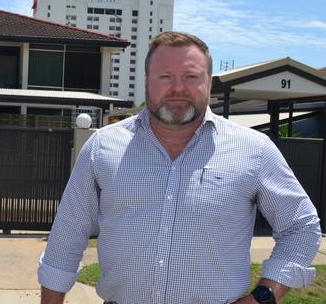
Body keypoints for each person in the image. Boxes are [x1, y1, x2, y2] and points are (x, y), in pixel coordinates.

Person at [38, 31, 322, 304]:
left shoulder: (254, 150)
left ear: (208, 81)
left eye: (191, 76)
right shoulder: (103, 146)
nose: (178, 88)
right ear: (147, 79)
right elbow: (68, 235)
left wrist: (264, 297)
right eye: (165, 76)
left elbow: (301, 226)